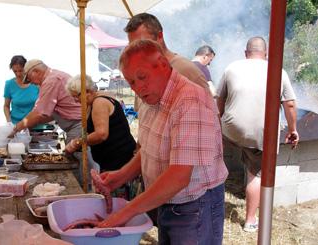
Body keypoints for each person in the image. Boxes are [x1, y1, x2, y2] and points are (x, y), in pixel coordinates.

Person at [97, 39, 229, 245]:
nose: (138, 87)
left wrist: (126, 212)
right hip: (166, 201)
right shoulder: (154, 96)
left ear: (163, 65)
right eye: (131, 81)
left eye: (142, 77)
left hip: (195, 206)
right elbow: (150, 148)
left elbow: (178, 177)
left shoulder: (190, 101)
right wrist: (121, 176)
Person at [216, 36, 299, 232]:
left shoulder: (232, 67)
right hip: (258, 134)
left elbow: (219, 100)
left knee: (218, 158)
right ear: (266, 53)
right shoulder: (278, 71)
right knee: (255, 175)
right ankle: (250, 221)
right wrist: (293, 129)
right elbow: (290, 104)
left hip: (231, 130)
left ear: (246, 53)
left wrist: (215, 126)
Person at [124, 13, 210, 111]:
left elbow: (212, 114)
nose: (138, 50)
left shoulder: (186, 70)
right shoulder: (139, 75)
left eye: (143, 43)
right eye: (133, 46)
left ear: (159, 36)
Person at [64, 75, 136, 172]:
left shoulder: (99, 102)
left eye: (76, 96)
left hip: (118, 160)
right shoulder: (96, 100)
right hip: (112, 158)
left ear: (88, 91)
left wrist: (76, 143)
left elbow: (101, 134)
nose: (75, 100)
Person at [8, 59, 81, 143]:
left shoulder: (50, 81)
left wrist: (17, 128)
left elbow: (38, 113)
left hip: (77, 126)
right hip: (76, 124)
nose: (31, 82)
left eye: (29, 78)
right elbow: (47, 115)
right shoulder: (55, 75)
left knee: (76, 154)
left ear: (36, 71)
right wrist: (29, 124)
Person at [3, 55, 39, 124]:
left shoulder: (35, 83)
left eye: (20, 71)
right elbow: (6, 106)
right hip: (16, 124)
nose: (18, 74)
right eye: (15, 71)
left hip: (35, 124)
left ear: (26, 68)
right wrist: (9, 121)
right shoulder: (9, 84)